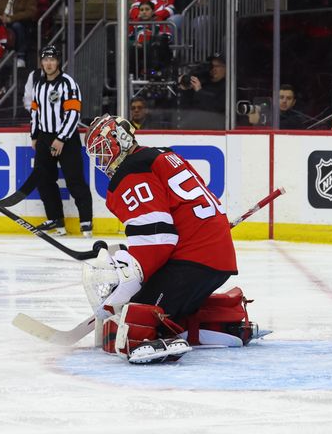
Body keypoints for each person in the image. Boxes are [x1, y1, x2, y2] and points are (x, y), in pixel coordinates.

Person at [82, 114, 240, 364]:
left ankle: (155, 337)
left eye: (103, 150)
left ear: (119, 140)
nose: (102, 161)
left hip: (192, 261)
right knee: (164, 306)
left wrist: (130, 281)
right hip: (216, 258)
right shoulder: (163, 155)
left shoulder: (131, 171)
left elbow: (157, 240)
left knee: (129, 321)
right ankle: (225, 324)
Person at [27, 45, 92, 237]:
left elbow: (73, 113)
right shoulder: (38, 84)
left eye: (52, 59)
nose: (48, 63)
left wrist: (61, 138)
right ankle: (57, 221)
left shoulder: (68, 83)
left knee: (75, 180)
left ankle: (86, 222)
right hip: (45, 137)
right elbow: (35, 112)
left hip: (67, 137)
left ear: (58, 62)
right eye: (45, 60)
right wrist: (34, 136)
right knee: (44, 180)